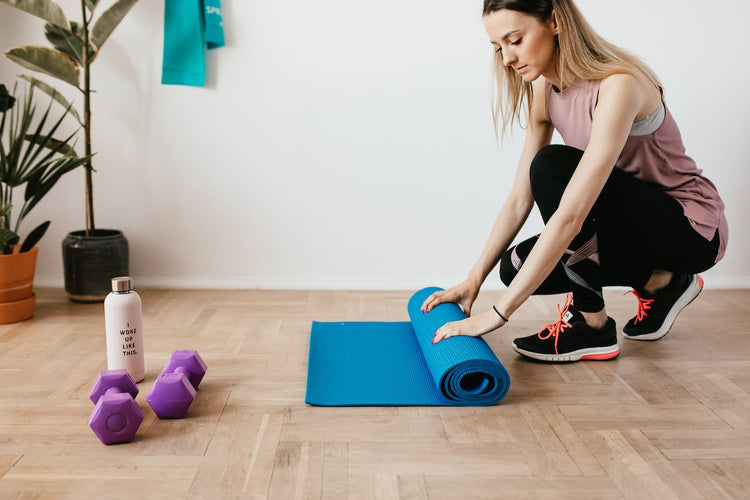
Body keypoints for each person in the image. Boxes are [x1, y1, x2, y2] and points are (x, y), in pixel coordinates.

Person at [421, 0, 728, 362]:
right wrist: (475, 279)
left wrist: (499, 314)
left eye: (515, 40)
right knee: (514, 267)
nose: (506, 58)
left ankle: (592, 326)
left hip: (690, 231)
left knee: (551, 164)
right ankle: (661, 284)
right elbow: (521, 197)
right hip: (629, 226)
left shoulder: (619, 85)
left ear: (554, 21)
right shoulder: (544, 89)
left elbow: (571, 213)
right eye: (498, 47)